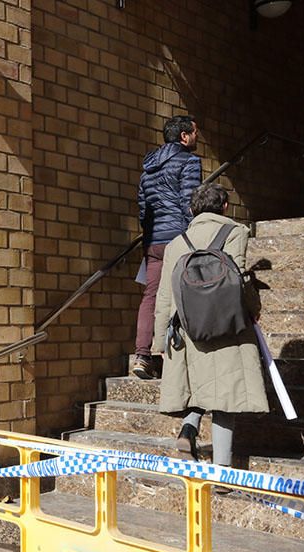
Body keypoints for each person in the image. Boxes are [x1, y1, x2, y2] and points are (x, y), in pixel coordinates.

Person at [152, 183, 267, 467]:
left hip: (188, 328)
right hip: (228, 326)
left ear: (192, 210)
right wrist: (254, 308)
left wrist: (159, 341)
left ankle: (188, 429)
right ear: (225, 206)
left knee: (198, 385)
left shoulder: (176, 244)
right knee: (225, 398)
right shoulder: (235, 232)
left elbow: (164, 295)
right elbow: (237, 278)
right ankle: (222, 470)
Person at [132, 114, 202, 380]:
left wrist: (149, 237)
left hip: (153, 241)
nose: (196, 137)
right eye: (195, 133)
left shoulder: (147, 168)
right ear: (184, 136)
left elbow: (143, 209)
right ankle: (183, 355)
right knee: (187, 293)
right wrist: (195, 236)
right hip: (179, 238)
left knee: (151, 296)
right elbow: (189, 202)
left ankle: (142, 355)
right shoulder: (189, 161)